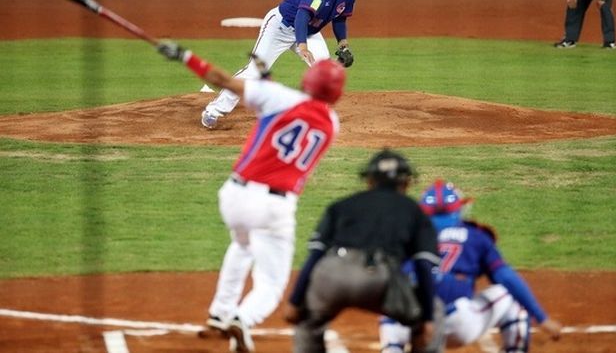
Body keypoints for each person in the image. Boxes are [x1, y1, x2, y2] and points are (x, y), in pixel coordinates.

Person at [156, 41, 346, 353]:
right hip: (274, 206)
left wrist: (187, 57)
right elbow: (293, 116)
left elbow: (222, 80)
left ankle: (220, 313)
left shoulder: (278, 97)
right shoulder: (332, 124)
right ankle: (242, 318)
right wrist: (269, 85)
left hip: (234, 196)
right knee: (271, 283)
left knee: (242, 245)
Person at [284, 149, 442, 353]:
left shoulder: (341, 205)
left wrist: (295, 301)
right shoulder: (414, 211)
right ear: (406, 182)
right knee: (436, 310)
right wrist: (427, 319)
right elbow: (423, 265)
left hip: (332, 274)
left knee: (308, 322)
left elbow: (315, 255)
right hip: (379, 278)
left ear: (369, 180)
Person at [379, 179, 562, 353]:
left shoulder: (407, 236)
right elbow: (506, 277)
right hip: (458, 324)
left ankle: (392, 348)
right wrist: (542, 318)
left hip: (413, 323)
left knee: (394, 302)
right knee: (511, 295)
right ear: (459, 209)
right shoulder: (474, 235)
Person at [201, 0, 357, 129]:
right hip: (280, 28)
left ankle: (317, 114)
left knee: (324, 72)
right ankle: (213, 111)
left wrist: (343, 44)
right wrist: (302, 46)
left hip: (310, 33)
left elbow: (340, 18)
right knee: (255, 71)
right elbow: (302, 17)